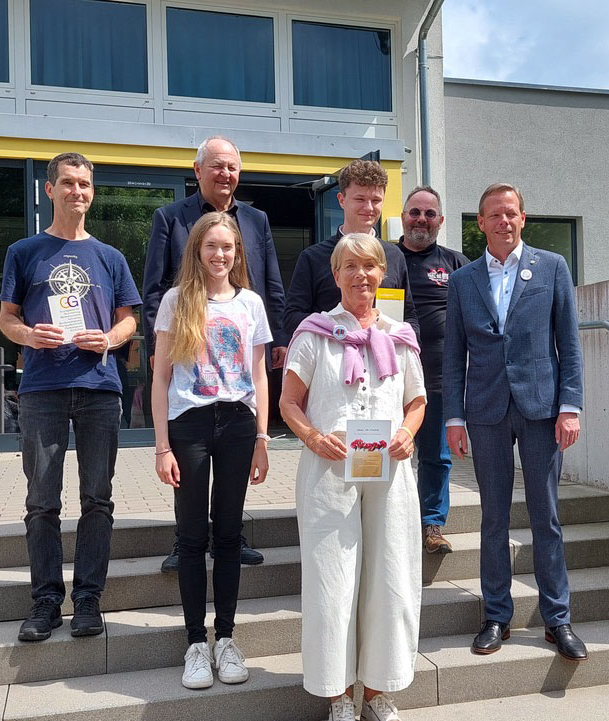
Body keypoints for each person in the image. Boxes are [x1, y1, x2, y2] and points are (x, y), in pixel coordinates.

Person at [280, 233, 426, 721]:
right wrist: (313, 437)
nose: (360, 275)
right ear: (335, 274)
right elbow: (288, 403)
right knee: (332, 582)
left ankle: (377, 691)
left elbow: (417, 400)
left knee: (391, 578)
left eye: (369, 266)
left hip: (391, 472)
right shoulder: (314, 332)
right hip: (329, 471)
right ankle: (339, 694)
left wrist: (408, 431)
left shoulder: (400, 335)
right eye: (350, 266)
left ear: (382, 273)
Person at [0, 152, 141, 642]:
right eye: (68, 183)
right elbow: (5, 317)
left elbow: (129, 318)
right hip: (42, 389)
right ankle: (44, 602)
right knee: (42, 502)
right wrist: (26, 336)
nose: (77, 192)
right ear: (49, 190)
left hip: (100, 389)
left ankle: (88, 600)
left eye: (84, 184)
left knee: (97, 499)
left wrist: (112, 339)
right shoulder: (23, 251)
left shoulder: (111, 257)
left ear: (91, 192)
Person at [442, 183, 587, 661]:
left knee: (545, 517)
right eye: (493, 215)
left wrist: (571, 406)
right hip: (485, 412)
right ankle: (496, 616)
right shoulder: (463, 281)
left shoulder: (551, 267)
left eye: (511, 213)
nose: (503, 222)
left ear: (523, 218)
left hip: (542, 410)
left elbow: (569, 343)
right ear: (479, 223)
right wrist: (454, 417)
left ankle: (557, 620)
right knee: (493, 517)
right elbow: (453, 354)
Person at [144, 136, 284, 572]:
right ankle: (184, 538)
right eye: (217, 166)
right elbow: (154, 287)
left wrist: (276, 339)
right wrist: (157, 347)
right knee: (189, 459)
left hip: (240, 347)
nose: (226, 174)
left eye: (232, 167)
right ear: (198, 170)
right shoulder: (171, 217)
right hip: (185, 349)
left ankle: (232, 536)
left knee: (231, 458)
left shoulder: (257, 220)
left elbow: (270, 281)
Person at [152, 211, 271, 689]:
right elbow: (159, 379)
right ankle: (195, 644)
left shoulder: (251, 304)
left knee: (227, 536)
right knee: (190, 539)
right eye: (211, 247)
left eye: (227, 247)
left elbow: (260, 375)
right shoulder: (176, 301)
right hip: (190, 424)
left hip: (239, 425)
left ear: (237, 252)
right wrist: (162, 447)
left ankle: (225, 638)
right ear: (196, 252)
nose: (220, 255)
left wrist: (263, 438)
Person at [398, 186, 469, 554]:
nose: (421, 220)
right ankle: (386, 524)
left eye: (429, 214)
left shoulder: (457, 265)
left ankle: (431, 525)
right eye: (415, 212)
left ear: (440, 221)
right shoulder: (383, 257)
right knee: (382, 451)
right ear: (402, 216)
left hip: (439, 378)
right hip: (388, 378)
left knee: (435, 457)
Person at [283, 159, 420, 340]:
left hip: (384, 360)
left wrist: (403, 342)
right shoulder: (313, 258)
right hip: (333, 357)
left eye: (376, 200)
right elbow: (292, 317)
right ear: (341, 200)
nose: (369, 208)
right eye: (360, 199)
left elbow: (408, 315)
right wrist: (341, 332)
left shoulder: (394, 256)